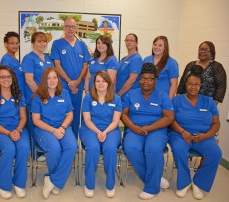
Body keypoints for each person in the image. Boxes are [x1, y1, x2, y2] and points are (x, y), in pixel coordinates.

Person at [121, 62, 174, 200]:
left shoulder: (162, 95)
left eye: (150, 78)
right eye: (143, 78)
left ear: (155, 80)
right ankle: (154, 179)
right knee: (131, 148)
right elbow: (123, 114)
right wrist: (132, 127)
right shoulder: (131, 94)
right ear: (140, 79)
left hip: (156, 130)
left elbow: (169, 117)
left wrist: (149, 128)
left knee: (153, 148)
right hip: (135, 129)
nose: (146, 81)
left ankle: (152, 187)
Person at [169, 65, 222, 200]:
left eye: (196, 84)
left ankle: (198, 183)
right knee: (179, 150)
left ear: (201, 85)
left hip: (203, 136)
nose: (193, 87)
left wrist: (207, 135)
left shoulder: (208, 102)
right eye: (190, 84)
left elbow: (216, 123)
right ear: (186, 84)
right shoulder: (177, 100)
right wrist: (182, 131)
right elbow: (171, 120)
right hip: (181, 135)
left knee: (215, 153)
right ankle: (184, 183)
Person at [31, 67, 78, 199]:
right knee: (54, 148)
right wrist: (53, 130)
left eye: (54, 77)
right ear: (44, 80)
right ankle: (56, 181)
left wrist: (62, 128)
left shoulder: (64, 93)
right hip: (44, 129)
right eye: (48, 78)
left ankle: (52, 180)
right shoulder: (37, 96)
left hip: (62, 127)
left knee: (72, 147)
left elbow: (70, 115)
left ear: (58, 79)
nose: (52, 81)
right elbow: (36, 120)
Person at [0, 66, 30, 199]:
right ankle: (3, 184)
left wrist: (17, 130)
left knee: (24, 147)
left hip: (18, 128)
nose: (5, 79)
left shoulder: (19, 95)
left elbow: (23, 117)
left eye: (8, 77)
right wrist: (9, 133)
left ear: (13, 78)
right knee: (9, 149)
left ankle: (18, 182)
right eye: (2, 77)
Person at [79, 70, 122, 198]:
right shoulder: (88, 98)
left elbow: (115, 121)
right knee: (93, 148)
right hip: (90, 128)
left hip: (111, 129)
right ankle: (89, 184)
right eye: (97, 81)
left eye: (103, 81)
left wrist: (105, 131)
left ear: (108, 83)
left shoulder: (117, 98)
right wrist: (98, 131)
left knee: (110, 148)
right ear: (94, 83)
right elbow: (87, 120)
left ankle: (110, 185)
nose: (100, 83)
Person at [51, 17, 91, 139]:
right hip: (63, 88)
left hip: (78, 89)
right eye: (67, 26)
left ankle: (73, 144)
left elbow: (85, 65)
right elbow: (57, 66)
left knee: (76, 116)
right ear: (63, 28)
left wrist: (78, 82)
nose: (70, 29)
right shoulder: (57, 44)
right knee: (62, 115)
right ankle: (61, 141)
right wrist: (70, 83)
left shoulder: (82, 45)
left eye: (73, 26)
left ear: (76, 28)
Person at [21, 31, 53, 162]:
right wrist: (41, 95)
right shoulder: (29, 58)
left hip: (47, 99)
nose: (42, 44)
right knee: (33, 126)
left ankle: (43, 150)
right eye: (39, 41)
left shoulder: (48, 58)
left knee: (43, 126)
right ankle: (35, 154)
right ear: (33, 43)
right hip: (34, 99)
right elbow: (29, 80)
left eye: (44, 41)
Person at [116, 33, 143, 100]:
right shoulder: (123, 59)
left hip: (128, 96)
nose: (129, 42)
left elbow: (132, 80)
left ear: (136, 43)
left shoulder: (136, 58)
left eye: (131, 40)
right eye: (127, 40)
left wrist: (119, 94)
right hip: (120, 95)